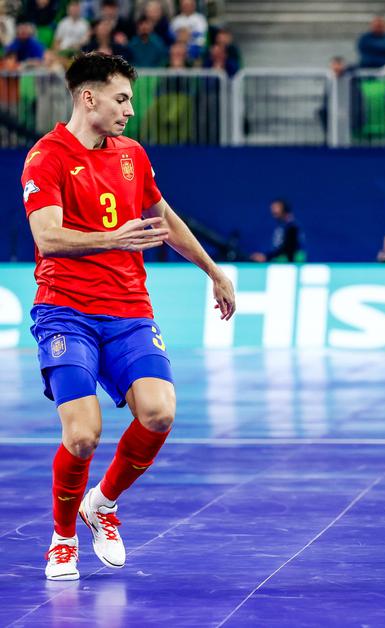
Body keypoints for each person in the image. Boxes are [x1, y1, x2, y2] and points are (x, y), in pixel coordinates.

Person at [21, 52, 235, 581]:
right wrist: (112, 239)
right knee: (82, 436)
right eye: (121, 99)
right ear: (88, 97)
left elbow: (164, 219)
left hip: (128, 309)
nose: (130, 110)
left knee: (159, 413)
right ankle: (63, 538)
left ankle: (102, 504)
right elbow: (47, 237)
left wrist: (213, 270)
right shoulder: (46, 157)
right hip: (65, 311)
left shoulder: (132, 155)